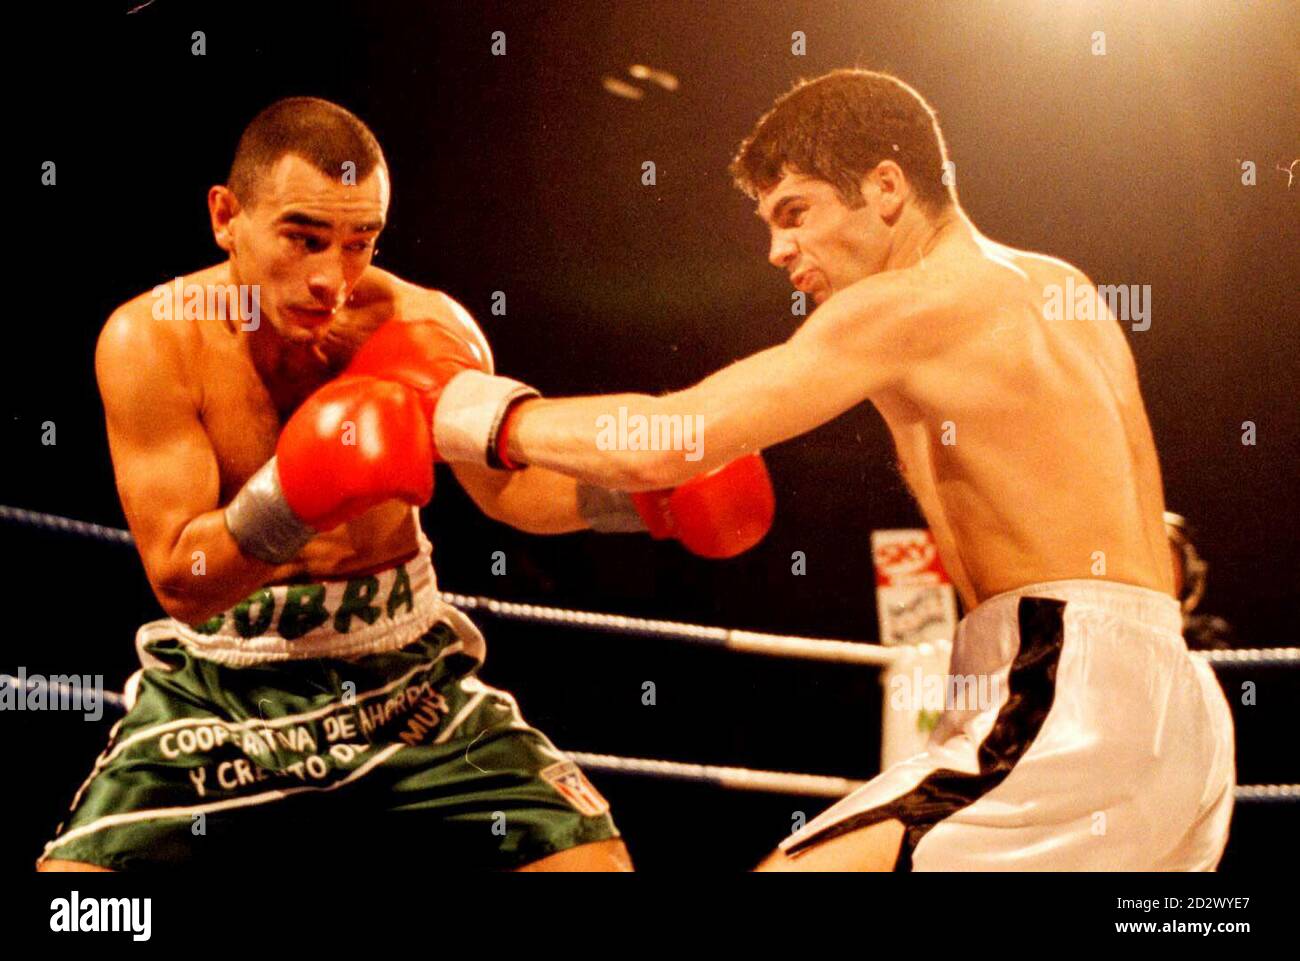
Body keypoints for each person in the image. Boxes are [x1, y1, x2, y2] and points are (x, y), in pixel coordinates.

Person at [397, 69, 1237, 870]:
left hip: (1063, 697)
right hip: (1180, 715)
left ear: (884, 187)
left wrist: (469, 410)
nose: (776, 249)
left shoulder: (902, 306)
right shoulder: (1063, 287)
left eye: (794, 212)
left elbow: (667, 437)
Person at [37, 97, 773, 873]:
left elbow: (509, 492)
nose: (333, 278)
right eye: (303, 237)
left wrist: (645, 500)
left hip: (404, 680)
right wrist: (301, 486)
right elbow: (181, 580)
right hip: (223, 693)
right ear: (226, 216)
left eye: (361, 242)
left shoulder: (420, 323)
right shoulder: (152, 339)